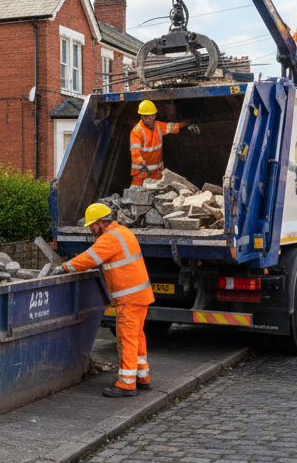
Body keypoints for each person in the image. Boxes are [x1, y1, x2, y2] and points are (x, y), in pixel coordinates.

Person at [52, 203, 154, 397]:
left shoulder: (110, 238)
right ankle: (142, 378)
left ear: (102, 222)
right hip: (140, 295)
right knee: (137, 336)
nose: (91, 229)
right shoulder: (123, 232)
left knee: (126, 339)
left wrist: (64, 267)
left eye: (92, 225)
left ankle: (126, 384)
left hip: (129, 297)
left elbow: (89, 258)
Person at [129, 100, 199, 186]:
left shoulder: (158, 126)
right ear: (141, 116)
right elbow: (136, 155)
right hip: (142, 177)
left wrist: (187, 124)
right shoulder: (137, 132)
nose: (150, 119)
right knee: (137, 196)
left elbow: (173, 126)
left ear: (155, 115)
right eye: (146, 116)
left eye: (152, 116)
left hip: (158, 174)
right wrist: (144, 172)